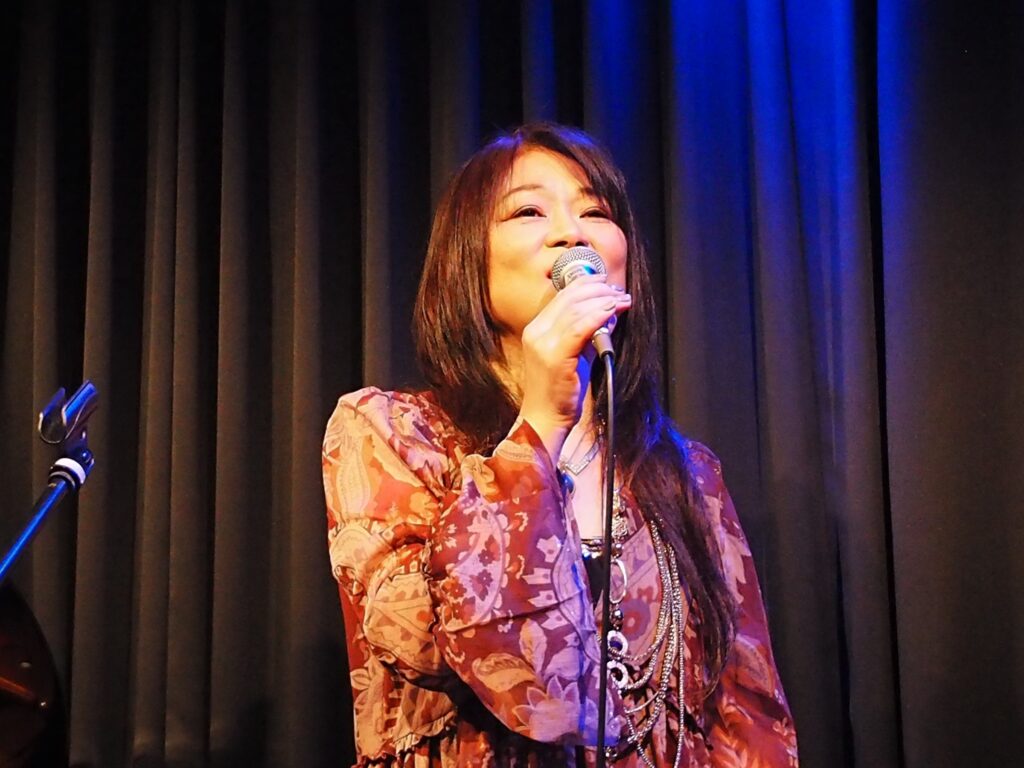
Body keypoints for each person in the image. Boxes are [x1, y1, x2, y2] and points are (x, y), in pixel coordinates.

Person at [322, 123, 798, 767]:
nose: (572, 233)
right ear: (468, 260)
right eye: (528, 211)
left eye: (595, 212)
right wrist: (541, 422)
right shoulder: (391, 432)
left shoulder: (687, 474)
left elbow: (747, 714)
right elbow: (423, 642)